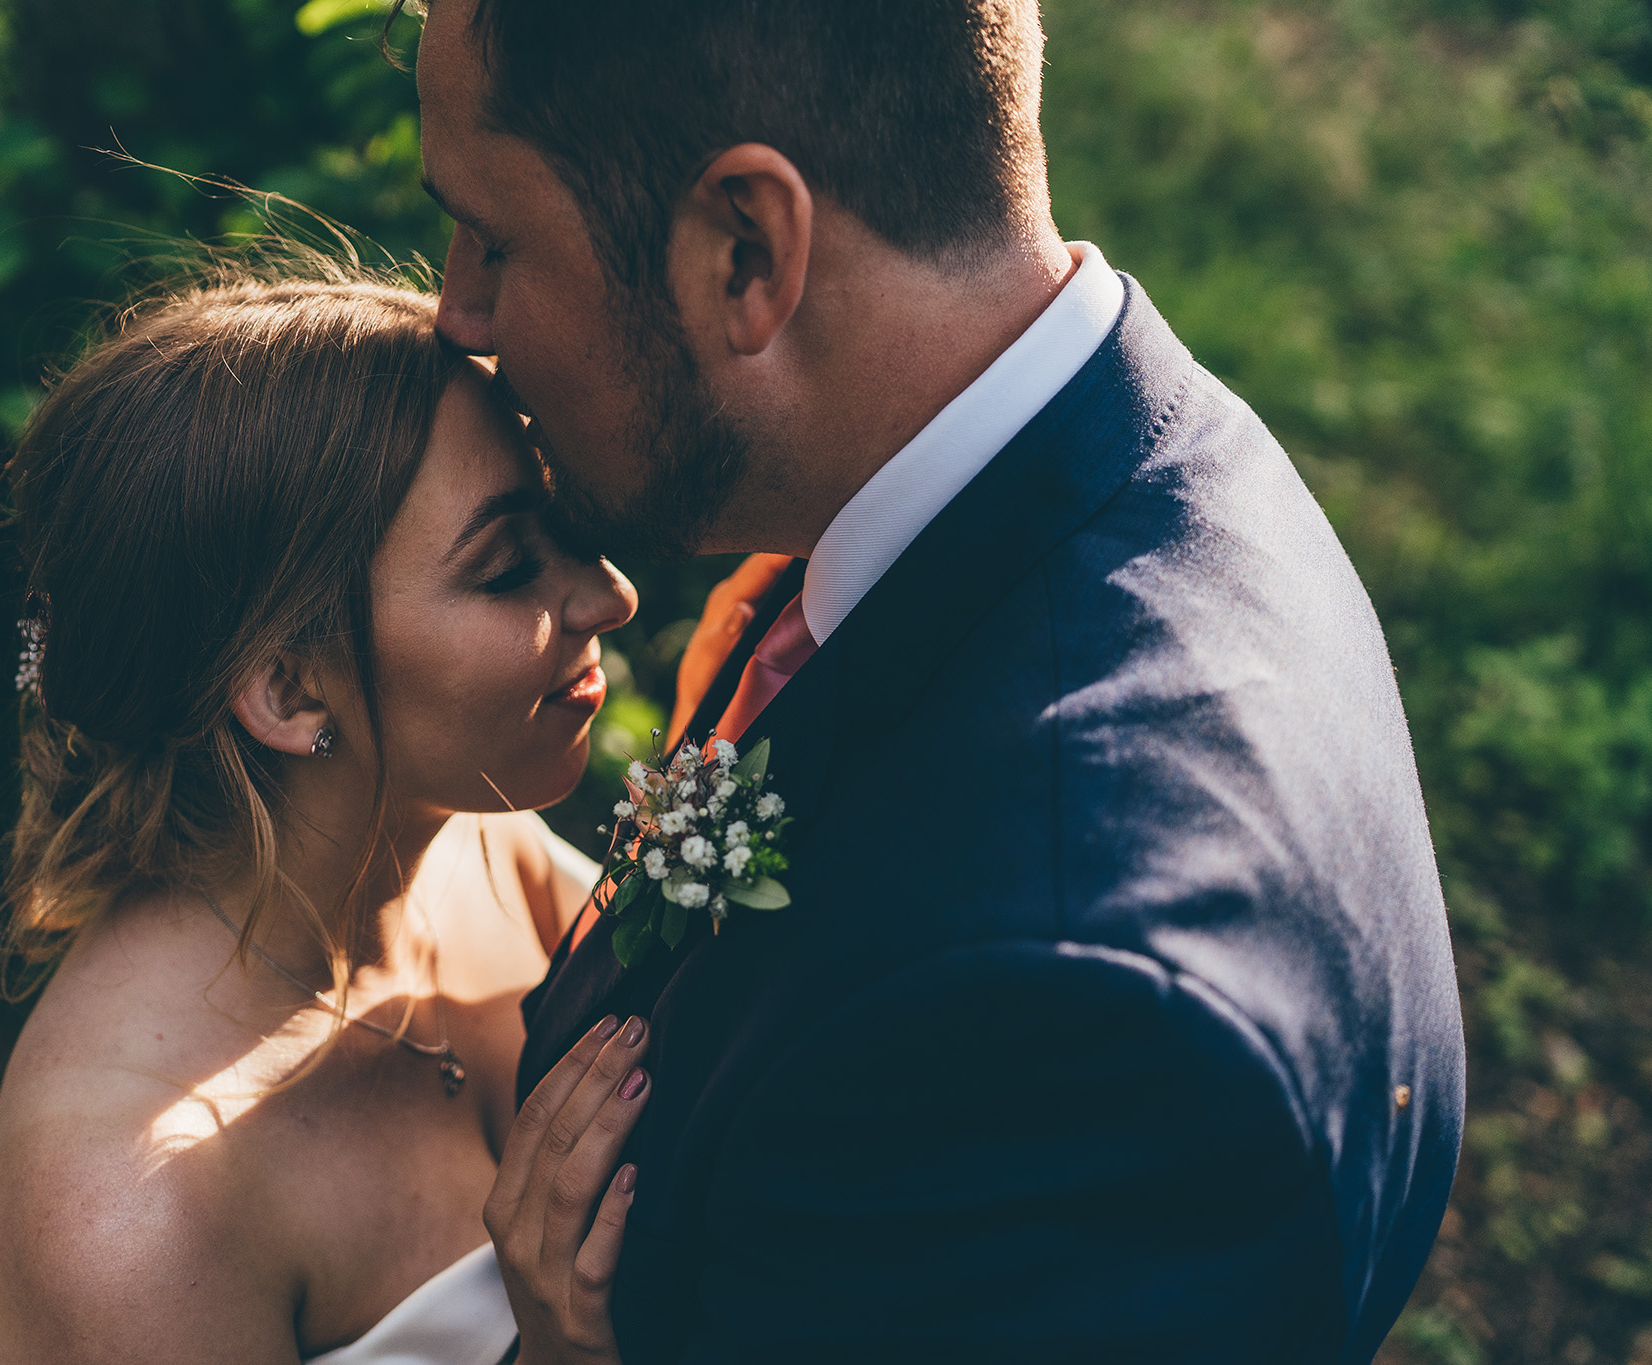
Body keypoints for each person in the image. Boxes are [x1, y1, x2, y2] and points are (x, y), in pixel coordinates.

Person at [413, 0, 1468, 1361]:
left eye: (496, 238)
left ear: (748, 250)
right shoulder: (1084, 472)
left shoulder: (1063, 1025)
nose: (462, 312)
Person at [0, 271, 650, 1364]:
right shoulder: (129, 1217)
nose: (609, 596)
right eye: (508, 565)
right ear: (288, 691)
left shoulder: (481, 847)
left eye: (563, 524)